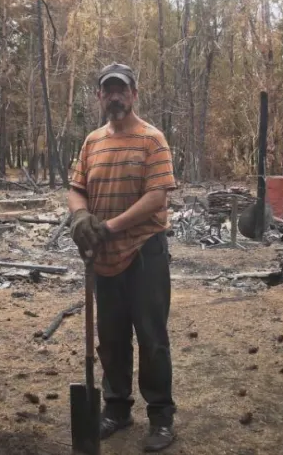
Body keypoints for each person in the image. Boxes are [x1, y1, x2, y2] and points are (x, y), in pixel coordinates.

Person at [67, 63, 178, 452]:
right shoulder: (92, 142)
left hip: (145, 252)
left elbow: (157, 197)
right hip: (104, 256)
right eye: (108, 90)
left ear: (134, 94)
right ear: (99, 96)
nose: (115, 96)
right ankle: (116, 409)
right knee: (111, 338)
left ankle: (161, 418)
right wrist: (80, 216)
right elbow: (76, 188)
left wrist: (110, 226)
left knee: (151, 338)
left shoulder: (152, 140)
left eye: (122, 90)